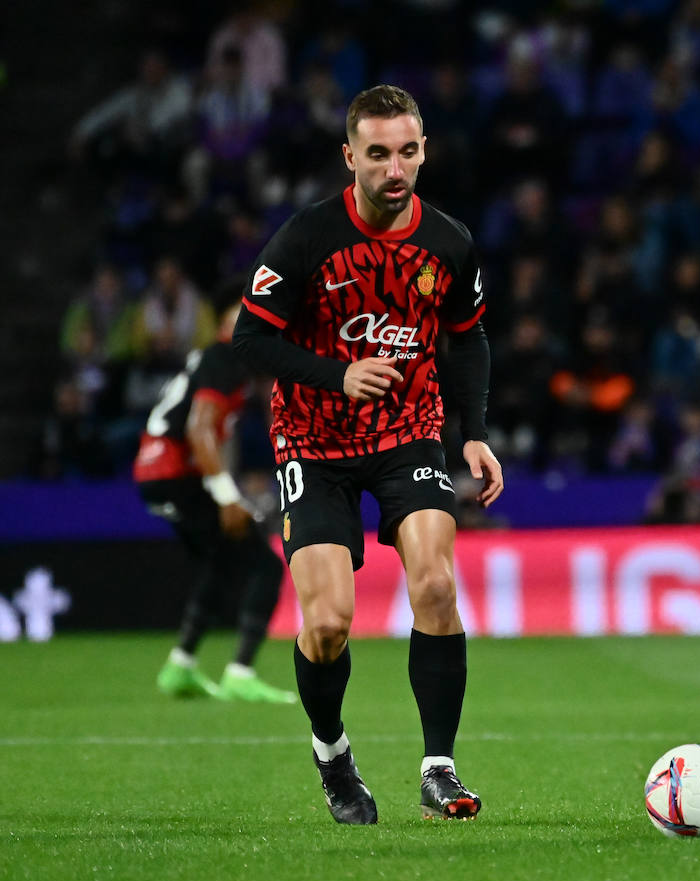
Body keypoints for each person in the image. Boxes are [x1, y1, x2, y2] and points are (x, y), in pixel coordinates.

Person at [232, 85, 503, 825]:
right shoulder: (308, 237)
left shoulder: (447, 241)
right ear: (350, 155)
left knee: (437, 585)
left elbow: (468, 334)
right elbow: (248, 341)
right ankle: (332, 755)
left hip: (408, 431)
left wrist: (473, 431)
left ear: (423, 152)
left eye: (407, 151)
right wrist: (339, 375)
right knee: (325, 624)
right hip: (313, 442)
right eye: (378, 153)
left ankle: (439, 769)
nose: (394, 168)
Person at [134, 303, 293, 703]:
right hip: (177, 474)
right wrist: (227, 496)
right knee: (265, 565)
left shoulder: (212, 359)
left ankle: (180, 665)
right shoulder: (227, 357)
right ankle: (240, 672)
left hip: (154, 475)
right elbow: (199, 427)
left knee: (220, 563)